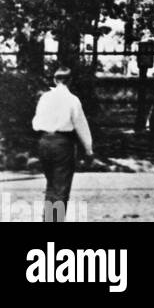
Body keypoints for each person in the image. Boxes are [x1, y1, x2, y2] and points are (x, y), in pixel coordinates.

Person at [31, 66, 93, 222]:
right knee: (61, 187)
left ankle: (48, 219)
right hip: (62, 143)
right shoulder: (73, 100)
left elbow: (36, 122)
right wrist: (89, 149)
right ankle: (56, 220)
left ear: (54, 80)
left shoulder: (44, 98)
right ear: (70, 81)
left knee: (51, 184)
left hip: (44, 141)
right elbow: (81, 126)